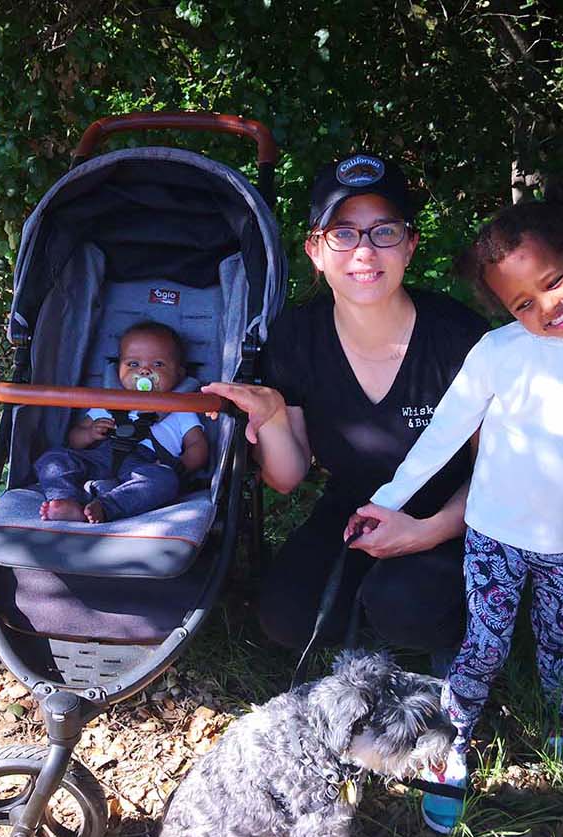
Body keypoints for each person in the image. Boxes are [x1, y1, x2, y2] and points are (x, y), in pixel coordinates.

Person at [351, 200, 563, 831]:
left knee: (559, 638)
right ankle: (450, 741)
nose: (546, 307)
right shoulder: (499, 353)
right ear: (505, 311)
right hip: (493, 534)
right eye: (522, 303)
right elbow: (444, 432)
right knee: (483, 646)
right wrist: (388, 498)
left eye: (553, 283)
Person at [203, 153, 489, 657]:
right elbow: (288, 477)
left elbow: (497, 469)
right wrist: (269, 417)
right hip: (353, 510)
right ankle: (369, 602)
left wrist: (429, 531)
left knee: (404, 609)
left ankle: (440, 616)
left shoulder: (458, 337)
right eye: (344, 233)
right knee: (287, 618)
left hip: (453, 516)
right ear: (315, 249)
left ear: (410, 245)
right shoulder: (295, 337)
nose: (365, 251)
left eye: (384, 232)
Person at [35, 321, 208, 523]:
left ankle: (106, 507)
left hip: (146, 465)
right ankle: (67, 500)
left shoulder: (180, 408)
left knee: (165, 481)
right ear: (119, 369)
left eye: (158, 364)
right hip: (99, 458)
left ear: (179, 373)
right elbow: (74, 439)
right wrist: (90, 433)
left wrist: (179, 466)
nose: (144, 372)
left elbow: (198, 446)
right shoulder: (109, 402)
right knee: (53, 459)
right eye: (133, 364)